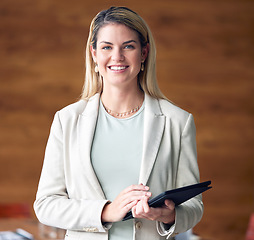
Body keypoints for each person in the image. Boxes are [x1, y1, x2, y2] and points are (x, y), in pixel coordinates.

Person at [34, 6, 204, 240]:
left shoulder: (178, 122)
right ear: (94, 54)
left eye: (128, 46)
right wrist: (105, 211)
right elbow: (45, 205)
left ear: (143, 53)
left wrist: (169, 216)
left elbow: (194, 207)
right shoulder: (67, 120)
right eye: (107, 47)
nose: (117, 57)